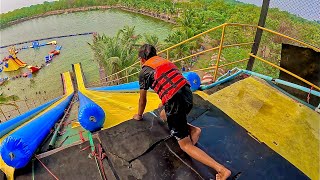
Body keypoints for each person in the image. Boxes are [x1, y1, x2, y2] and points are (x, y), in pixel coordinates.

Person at [133, 44, 231, 180]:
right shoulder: (165, 62)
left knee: (185, 145)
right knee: (163, 115)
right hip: (188, 95)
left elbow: (142, 100)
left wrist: (139, 115)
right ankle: (192, 129)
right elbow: (173, 82)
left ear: (142, 59)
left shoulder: (144, 72)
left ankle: (221, 170)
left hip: (175, 103)